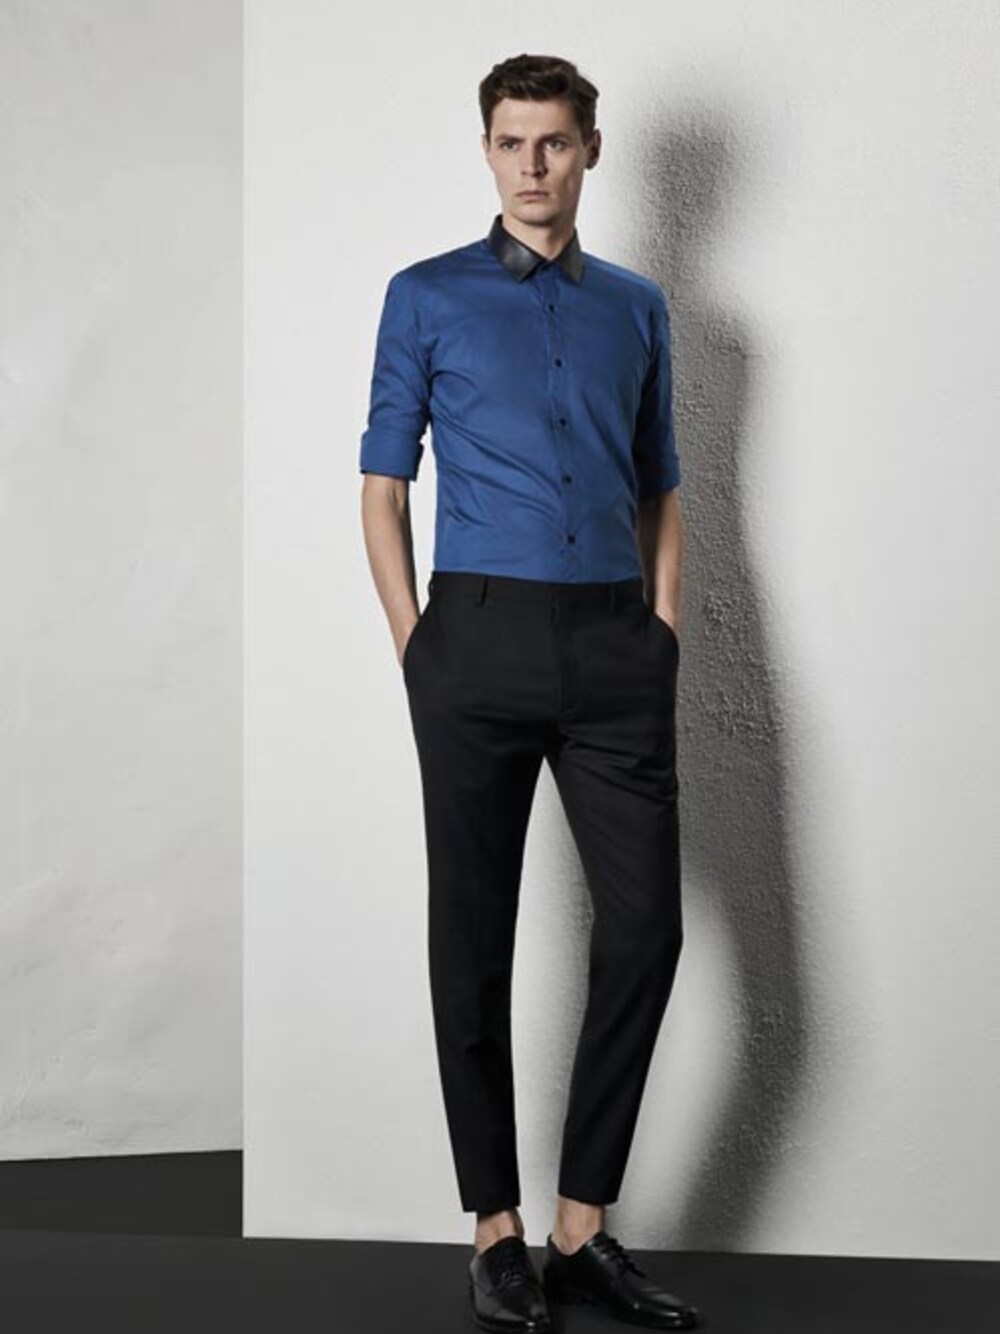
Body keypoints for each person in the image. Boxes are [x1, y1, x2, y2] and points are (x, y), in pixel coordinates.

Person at [359, 51, 702, 1333]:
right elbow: (382, 487)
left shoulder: (637, 307)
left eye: (554, 141)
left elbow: (662, 483)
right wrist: (419, 646)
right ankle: (494, 1230)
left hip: (615, 647)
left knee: (647, 929)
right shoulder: (424, 296)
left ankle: (579, 1226)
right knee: (473, 935)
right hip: (475, 642)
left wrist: (660, 629)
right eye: (511, 142)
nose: (532, 165)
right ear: (487, 150)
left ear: (590, 149)